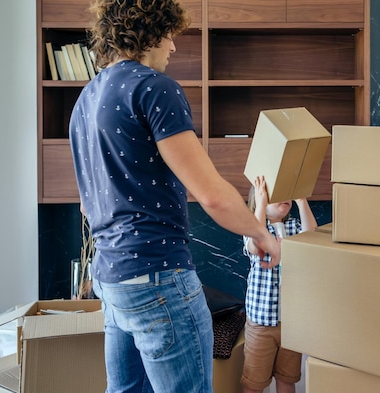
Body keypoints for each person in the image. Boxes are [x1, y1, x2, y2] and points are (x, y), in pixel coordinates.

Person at [68, 1, 280, 392]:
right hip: (157, 279)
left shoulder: (85, 100)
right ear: (148, 31)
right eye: (169, 35)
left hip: (111, 279)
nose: (173, 47)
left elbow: (87, 204)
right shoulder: (154, 88)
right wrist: (260, 233)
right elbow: (211, 193)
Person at [241, 176, 318, 393]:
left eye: (287, 195)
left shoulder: (294, 227)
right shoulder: (255, 229)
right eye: (278, 195)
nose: (285, 198)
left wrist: (301, 199)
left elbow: (311, 237)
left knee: (287, 379)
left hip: (290, 323)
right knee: (253, 383)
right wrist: (262, 202)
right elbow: (256, 244)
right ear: (261, 203)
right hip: (261, 323)